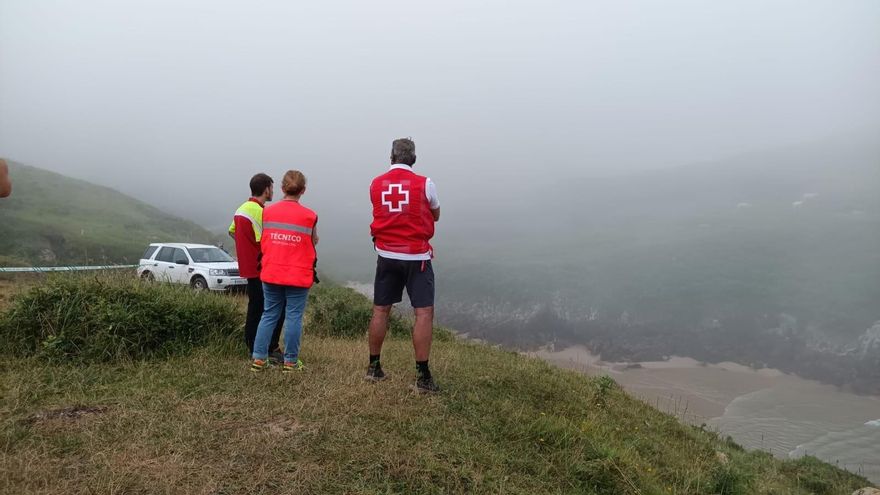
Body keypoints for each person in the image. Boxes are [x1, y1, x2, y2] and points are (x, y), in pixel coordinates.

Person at [366, 138, 441, 393]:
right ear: (414, 159)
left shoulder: (375, 184)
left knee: (380, 310)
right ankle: (422, 376)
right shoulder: (425, 183)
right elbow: (436, 214)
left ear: (391, 157)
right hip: (416, 257)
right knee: (423, 313)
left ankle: (373, 368)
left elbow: (381, 210)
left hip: (386, 254)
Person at [250, 170, 319, 373]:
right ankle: (290, 361)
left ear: (282, 188)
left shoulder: (267, 212)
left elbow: (266, 238)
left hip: (271, 271)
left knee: (269, 314)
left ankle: (259, 359)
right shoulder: (310, 216)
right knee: (294, 316)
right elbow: (313, 240)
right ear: (303, 190)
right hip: (298, 274)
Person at [229, 173, 283, 362]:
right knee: (272, 308)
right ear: (266, 188)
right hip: (262, 268)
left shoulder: (242, 208)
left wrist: (246, 250)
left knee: (255, 307)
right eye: (272, 188)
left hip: (249, 267)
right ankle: (268, 348)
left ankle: (252, 345)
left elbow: (232, 231)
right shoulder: (260, 211)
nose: (273, 191)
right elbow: (265, 240)